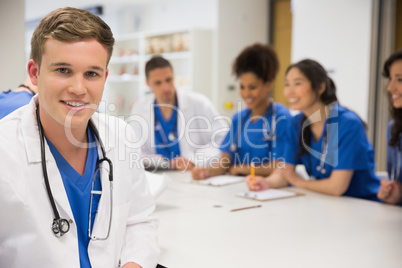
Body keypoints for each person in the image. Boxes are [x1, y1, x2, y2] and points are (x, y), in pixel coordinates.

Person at [0, 7, 159, 268]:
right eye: (63, 70)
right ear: (34, 73)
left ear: (105, 77)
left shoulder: (122, 135)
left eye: (92, 73)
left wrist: (134, 263)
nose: (78, 88)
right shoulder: (4, 149)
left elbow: (139, 220)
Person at [245, 59, 380, 201]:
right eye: (287, 84)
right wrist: (266, 182)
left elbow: (337, 187)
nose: (289, 92)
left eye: (297, 84)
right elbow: (285, 173)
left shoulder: (348, 124)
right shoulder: (296, 124)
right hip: (326, 203)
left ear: (320, 87)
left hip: (363, 204)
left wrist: (299, 182)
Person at [192, 43, 291, 180]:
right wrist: (206, 171)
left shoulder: (281, 117)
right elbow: (225, 161)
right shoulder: (239, 118)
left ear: (268, 84)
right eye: (242, 87)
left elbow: (281, 165)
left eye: (252, 87)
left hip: (271, 190)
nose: (246, 93)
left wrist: (245, 169)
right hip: (239, 188)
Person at [129, 56, 227, 171]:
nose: (165, 87)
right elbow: (134, 149)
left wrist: (193, 160)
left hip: (191, 174)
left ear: (174, 76)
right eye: (158, 83)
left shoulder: (199, 103)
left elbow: (223, 139)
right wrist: (159, 162)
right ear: (148, 84)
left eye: (168, 80)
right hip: (157, 175)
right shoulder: (140, 107)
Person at [377, 49, 402, 205]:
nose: (390, 87)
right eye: (390, 79)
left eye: (400, 80)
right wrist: (394, 194)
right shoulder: (394, 128)